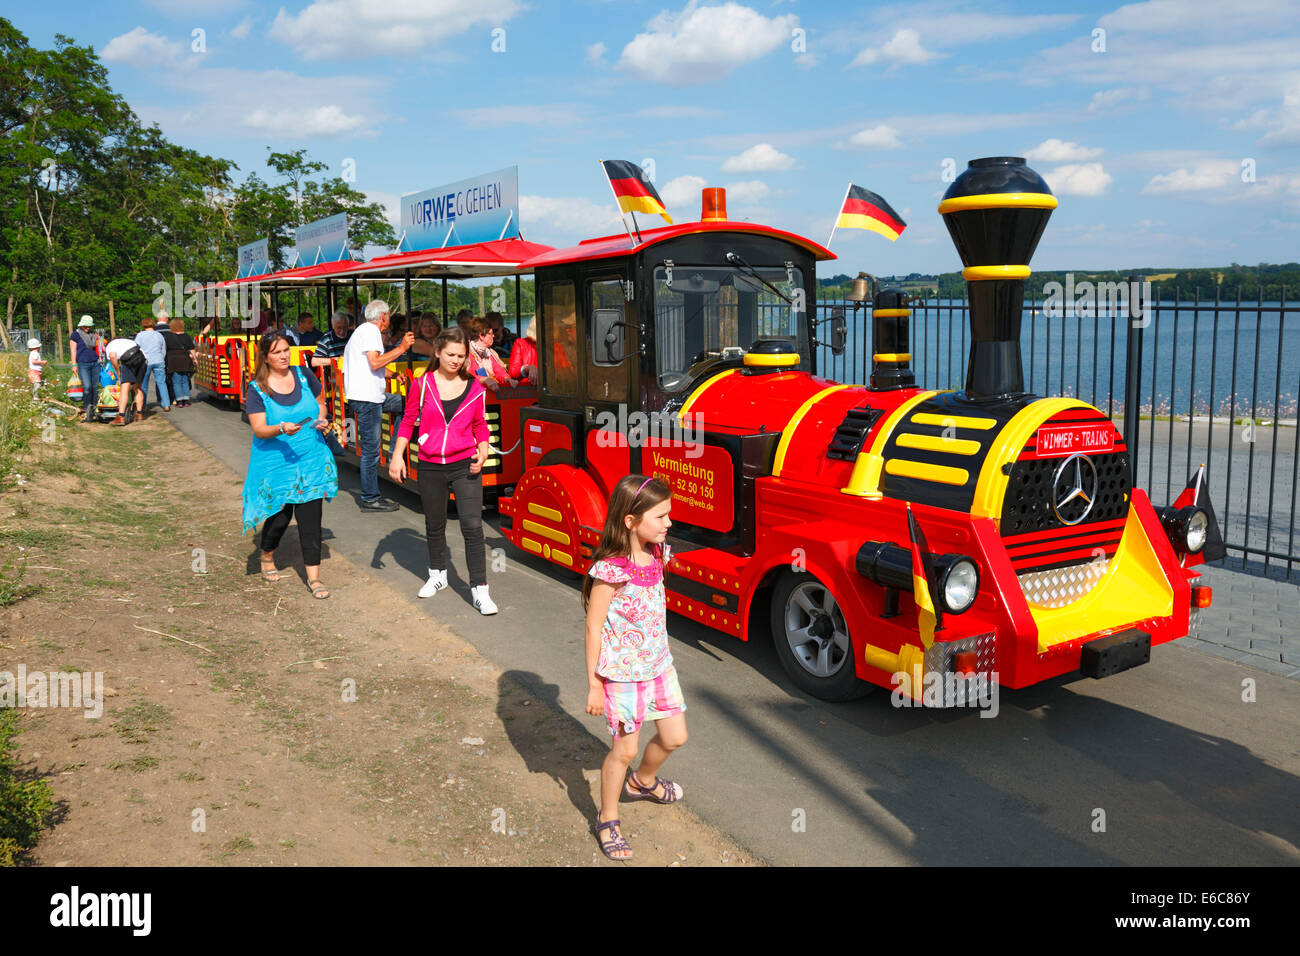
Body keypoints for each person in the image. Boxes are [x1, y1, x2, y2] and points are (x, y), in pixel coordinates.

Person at [582, 474, 686, 861]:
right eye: (661, 516)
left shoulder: (658, 552)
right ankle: (607, 818)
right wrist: (594, 684)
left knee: (675, 737)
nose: (668, 523)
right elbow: (593, 627)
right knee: (623, 751)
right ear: (630, 520)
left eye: (668, 515)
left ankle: (642, 783)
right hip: (623, 677)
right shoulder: (610, 571)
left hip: (660, 667)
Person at [389, 327, 497, 615]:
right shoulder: (421, 384)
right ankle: (437, 574)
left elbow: (480, 426)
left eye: (461, 356)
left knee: (473, 526)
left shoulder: (475, 386)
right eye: (450, 354)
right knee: (434, 523)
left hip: (465, 464)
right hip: (430, 464)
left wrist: (484, 450)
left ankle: (479, 589)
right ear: (437, 352)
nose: (455, 360)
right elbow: (408, 420)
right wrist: (397, 456)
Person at [242, 331, 338, 599]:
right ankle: (267, 554)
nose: (284, 355)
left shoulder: (304, 375)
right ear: (265, 357)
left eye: (286, 349)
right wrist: (281, 428)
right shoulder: (257, 388)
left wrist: (321, 419)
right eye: (276, 352)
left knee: (311, 518)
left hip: (311, 458)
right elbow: (259, 429)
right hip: (276, 463)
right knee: (279, 517)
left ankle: (314, 577)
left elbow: (321, 405)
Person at [342, 299, 413, 512]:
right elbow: (374, 362)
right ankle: (370, 498)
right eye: (389, 316)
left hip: (371, 396)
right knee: (371, 451)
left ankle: (394, 451)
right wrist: (402, 347)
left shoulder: (362, 331)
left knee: (405, 404)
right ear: (384, 317)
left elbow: (369, 366)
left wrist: (392, 374)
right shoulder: (371, 332)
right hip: (367, 398)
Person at [466, 316, 517, 391]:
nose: (493, 336)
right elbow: (471, 375)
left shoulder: (489, 352)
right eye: (490, 333)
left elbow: (497, 369)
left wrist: (507, 378)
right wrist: (485, 380)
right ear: (481, 336)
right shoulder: (467, 353)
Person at [105, 334, 147, 425]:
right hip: (143, 359)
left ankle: (121, 416)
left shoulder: (110, 345)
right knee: (138, 388)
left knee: (124, 389)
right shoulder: (128, 341)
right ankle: (139, 414)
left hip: (128, 361)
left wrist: (118, 372)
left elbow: (112, 357)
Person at [135, 316, 170, 412]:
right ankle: (166, 404)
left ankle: (142, 406)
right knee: (162, 383)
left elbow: (136, 349)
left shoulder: (140, 335)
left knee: (144, 385)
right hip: (158, 360)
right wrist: (161, 358)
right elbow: (164, 349)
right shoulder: (159, 335)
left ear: (143, 325)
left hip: (146, 361)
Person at [69, 315, 101, 422]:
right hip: (83, 364)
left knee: (94, 387)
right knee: (87, 388)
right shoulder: (75, 335)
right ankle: (86, 408)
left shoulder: (93, 335)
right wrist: (74, 364)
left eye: (89, 326)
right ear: (81, 325)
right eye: (85, 326)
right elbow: (73, 350)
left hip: (95, 363)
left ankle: (95, 409)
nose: (87, 328)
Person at [163, 317, 197, 408]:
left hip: (173, 361)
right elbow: (192, 349)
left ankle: (179, 401)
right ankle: (186, 400)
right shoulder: (186, 336)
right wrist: (194, 359)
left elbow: (165, 350)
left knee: (176, 381)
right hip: (185, 359)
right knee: (185, 380)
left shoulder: (168, 337)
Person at [507, 316, 538, 384]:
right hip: (527, 388)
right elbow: (513, 371)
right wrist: (528, 368)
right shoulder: (520, 343)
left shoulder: (556, 345)